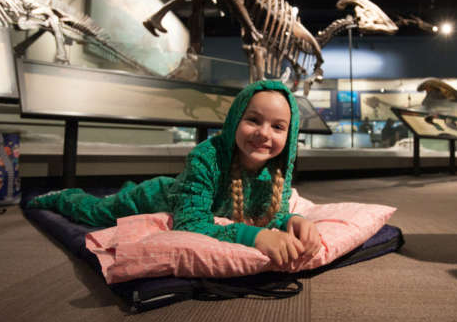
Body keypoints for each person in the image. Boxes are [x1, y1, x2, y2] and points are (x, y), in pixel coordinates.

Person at [27, 80, 321, 266]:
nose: (264, 133)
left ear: (289, 135)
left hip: (183, 192)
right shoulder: (206, 157)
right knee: (96, 212)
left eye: (278, 127)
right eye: (253, 120)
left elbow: (270, 213)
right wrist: (255, 237)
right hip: (156, 197)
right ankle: (62, 196)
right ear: (235, 120)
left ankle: (125, 187)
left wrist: (293, 221)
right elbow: (191, 223)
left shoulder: (277, 170)